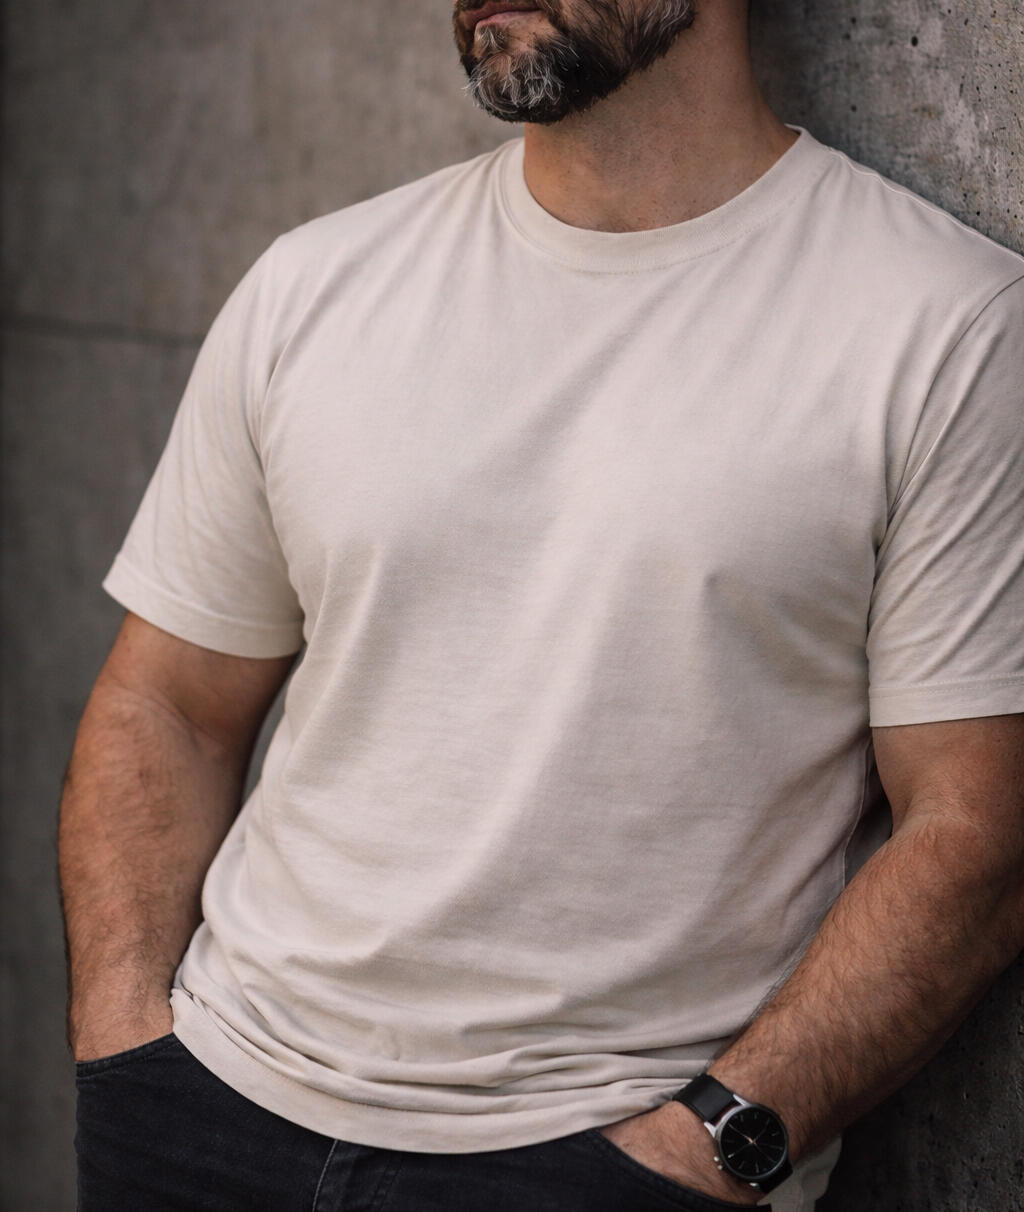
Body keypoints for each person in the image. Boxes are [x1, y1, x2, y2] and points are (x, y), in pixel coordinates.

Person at [59, 1, 1024, 1209]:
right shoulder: (315, 284)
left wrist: (713, 1141)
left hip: (605, 1154)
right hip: (208, 1108)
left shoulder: (943, 322)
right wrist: (124, 1045)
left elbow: (975, 827)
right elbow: (168, 702)